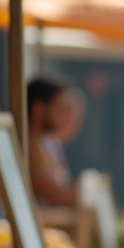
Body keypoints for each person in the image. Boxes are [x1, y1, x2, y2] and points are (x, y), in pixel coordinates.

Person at [27, 77, 79, 207]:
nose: (64, 115)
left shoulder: (42, 145)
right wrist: (91, 190)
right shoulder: (26, 147)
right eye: (60, 108)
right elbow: (57, 195)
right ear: (38, 108)